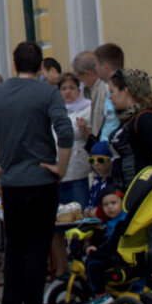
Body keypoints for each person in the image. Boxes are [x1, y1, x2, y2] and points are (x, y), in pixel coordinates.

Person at [0, 42, 73, 304]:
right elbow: (64, 131)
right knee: (37, 249)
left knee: (14, 248)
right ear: (41, 66)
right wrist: (61, 167)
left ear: (14, 65)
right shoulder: (47, 92)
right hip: (40, 181)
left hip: (11, 183)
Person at [107, 67, 152, 287]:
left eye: (112, 91)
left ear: (126, 91)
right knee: (143, 248)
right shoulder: (129, 118)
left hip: (146, 197)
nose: (110, 96)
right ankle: (147, 292)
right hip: (132, 195)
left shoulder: (146, 119)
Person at [84, 185, 127, 304]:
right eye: (106, 205)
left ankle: (101, 294)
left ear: (122, 202)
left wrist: (97, 252)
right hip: (121, 254)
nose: (110, 207)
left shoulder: (120, 223)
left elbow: (112, 245)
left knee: (92, 264)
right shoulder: (119, 219)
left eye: (114, 203)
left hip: (117, 256)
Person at [57, 72, 91, 209]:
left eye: (71, 88)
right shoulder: (56, 110)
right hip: (58, 171)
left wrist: (85, 130)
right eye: (64, 89)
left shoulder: (88, 109)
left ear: (79, 89)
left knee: (79, 213)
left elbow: (93, 138)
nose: (68, 92)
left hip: (78, 172)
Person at [86, 141, 113, 212]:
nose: (95, 164)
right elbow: (91, 204)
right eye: (92, 161)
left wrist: (99, 213)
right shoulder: (97, 182)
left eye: (100, 160)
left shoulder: (114, 183)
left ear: (110, 160)